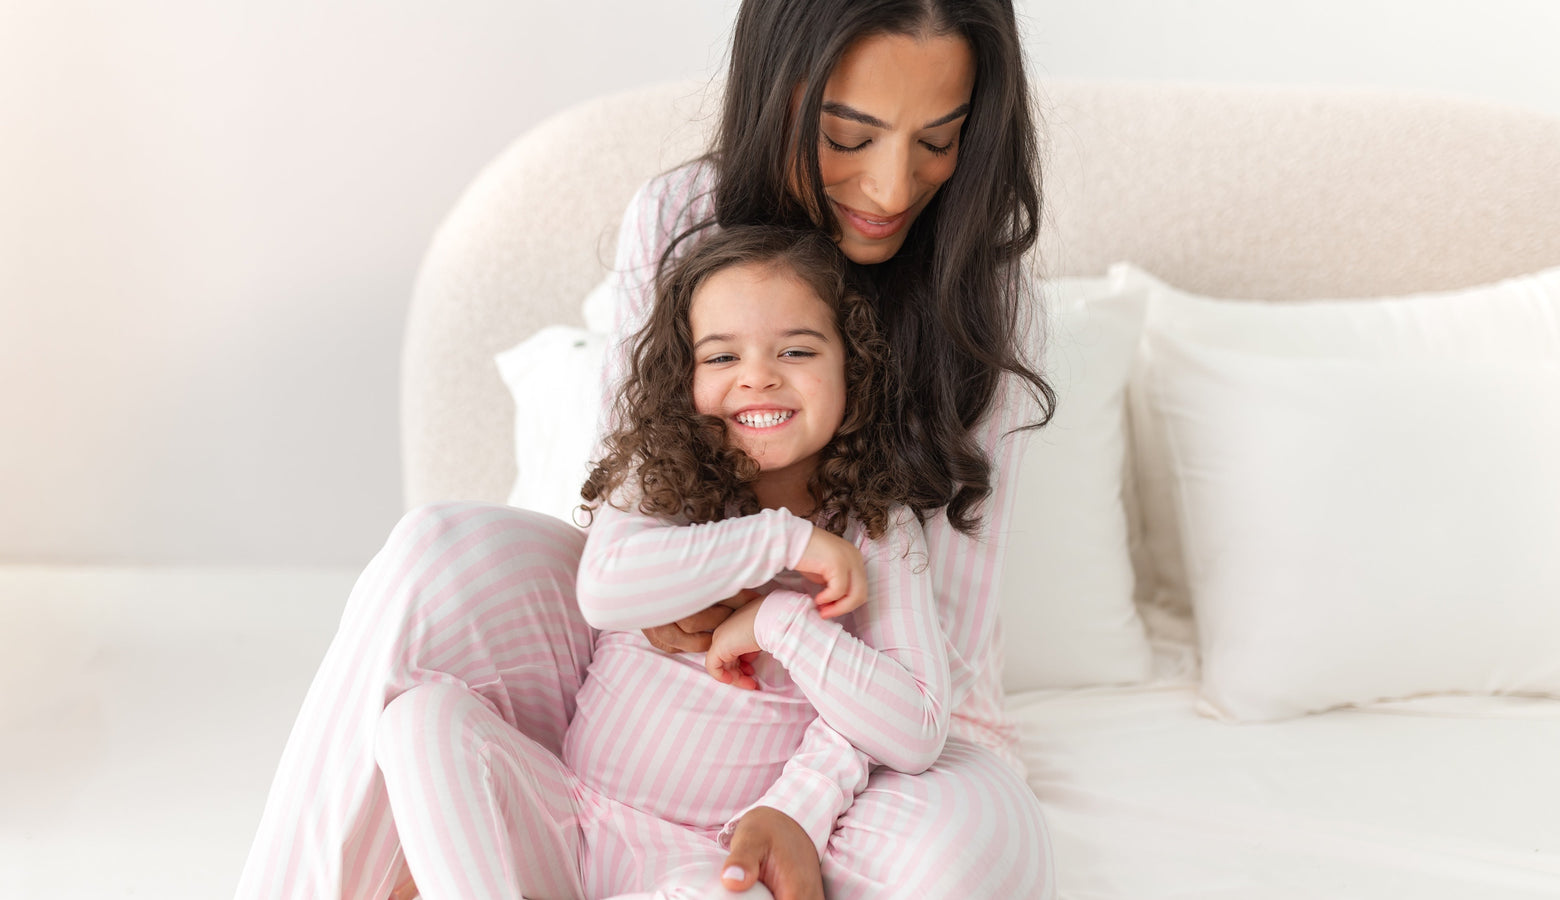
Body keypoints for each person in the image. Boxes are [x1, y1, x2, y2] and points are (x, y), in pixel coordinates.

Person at [234, 0, 1056, 897]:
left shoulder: (982, 303)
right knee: (432, 560)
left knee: (967, 843)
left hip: (853, 709)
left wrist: (795, 788)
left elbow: (943, 656)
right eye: (848, 137)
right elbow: (631, 520)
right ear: (777, 92)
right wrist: (717, 568)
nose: (894, 189)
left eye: (939, 140)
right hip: (631, 669)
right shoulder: (680, 215)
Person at [376, 224, 952, 898]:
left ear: (853, 367)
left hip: (696, 857)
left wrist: (779, 622)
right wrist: (783, 542)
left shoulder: (880, 529)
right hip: (569, 807)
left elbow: (915, 731)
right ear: (682, 378)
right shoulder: (661, 484)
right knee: (420, 718)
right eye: (720, 358)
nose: (758, 376)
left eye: (796, 350)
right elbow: (607, 591)